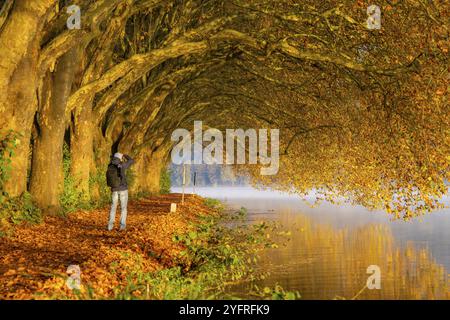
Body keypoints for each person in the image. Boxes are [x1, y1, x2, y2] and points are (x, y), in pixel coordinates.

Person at [107, 152, 134, 231]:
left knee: (113, 207)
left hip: (114, 190)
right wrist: (125, 155)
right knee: (123, 208)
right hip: (123, 189)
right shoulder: (122, 165)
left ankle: (110, 226)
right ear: (120, 158)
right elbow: (131, 160)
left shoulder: (110, 165)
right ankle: (122, 226)